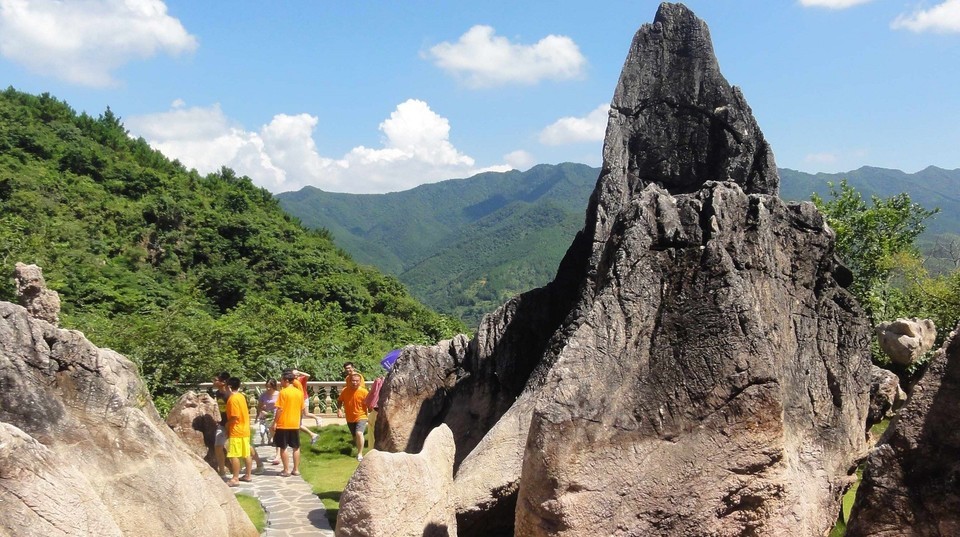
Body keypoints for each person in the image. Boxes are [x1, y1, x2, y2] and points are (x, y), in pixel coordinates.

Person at [271, 371, 303, 477]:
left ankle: (286, 470)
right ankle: (296, 469)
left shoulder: (283, 392)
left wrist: (274, 422)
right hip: (295, 423)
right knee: (296, 447)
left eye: (281, 380)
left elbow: (279, 409)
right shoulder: (299, 393)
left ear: (286, 381)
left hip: (283, 423)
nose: (280, 382)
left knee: (283, 447)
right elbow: (301, 409)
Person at [225, 377, 253, 486]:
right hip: (245, 429)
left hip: (236, 430)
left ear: (229, 387)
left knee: (234, 455)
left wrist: (227, 424)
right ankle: (248, 475)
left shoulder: (233, 399)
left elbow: (235, 416)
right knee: (246, 453)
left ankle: (235, 478)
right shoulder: (241, 396)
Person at [337, 371, 370, 461]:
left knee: (359, 433)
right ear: (350, 381)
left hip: (361, 416)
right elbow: (340, 400)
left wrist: (371, 416)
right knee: (355, 436)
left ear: (360, 381)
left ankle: (360, 454)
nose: (355, 382)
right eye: (353, 381)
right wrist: (339, 409)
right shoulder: (345, 390)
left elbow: (369, 404)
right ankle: (358, 448)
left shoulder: (364, 391)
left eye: (357, 381)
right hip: (350, 417)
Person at [290, 368, 322, 445]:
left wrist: (299, 372)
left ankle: (316, 421)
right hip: (297, 401)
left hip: (303, 399)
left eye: (296, 374)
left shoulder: (301, 379)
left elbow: (308, 375)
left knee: (304, 416)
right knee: (299, 421)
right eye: (293, 374)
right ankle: (310, 435)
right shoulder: (291, 381)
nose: (295, 375)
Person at [210, 371, 231, 477]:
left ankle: (258, 462)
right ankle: (222, 471)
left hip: (232, 424)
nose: (213, 382)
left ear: (223, 382)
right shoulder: (218, 393)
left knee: (243, 447)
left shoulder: (229, 395)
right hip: (222, 424)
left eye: (216, 380)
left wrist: (229, 427)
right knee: (218, 446)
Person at [257, 378, 280, 464]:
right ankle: (278, 453)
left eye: (270, 387)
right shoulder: (263, 395)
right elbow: (259, 406)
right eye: (267, 387)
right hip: (269, 417)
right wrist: (262, 411)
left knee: (278, 435)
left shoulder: (279, 394)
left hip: (278, 415)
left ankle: (278, 455)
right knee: (274, 435)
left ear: (274, 386)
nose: (268, 388)